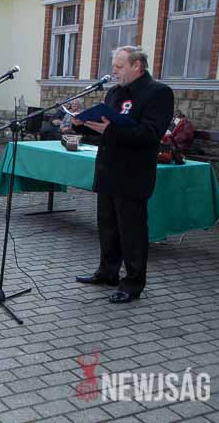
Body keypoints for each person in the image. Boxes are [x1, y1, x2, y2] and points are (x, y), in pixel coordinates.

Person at [74, 46, 174, 304]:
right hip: (108, 170)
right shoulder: (115, 92)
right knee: (107, 226)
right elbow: (105, 129)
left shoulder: (158, 92)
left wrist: (110, 130)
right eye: (114, 66)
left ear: (136, 66)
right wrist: (82, 124)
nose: (114, 71)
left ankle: (132, 283)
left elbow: (150, 134)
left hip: (133, 174)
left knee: (132, 232)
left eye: (119, 67)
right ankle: (108, 272)